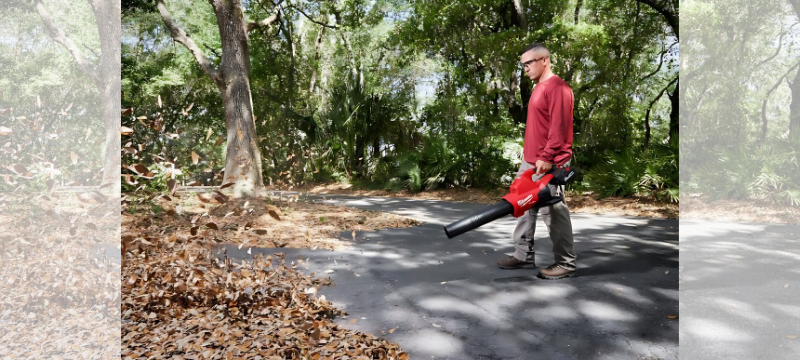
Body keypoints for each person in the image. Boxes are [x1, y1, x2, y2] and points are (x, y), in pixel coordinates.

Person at [496, 43, 577, 280]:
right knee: (522, 205)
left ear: (545, 60)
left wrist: (547, 157)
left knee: (553, 211)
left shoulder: (558, 88)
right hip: (532, 160)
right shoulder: (539, 87)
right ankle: (523, 255)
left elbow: (559, 127)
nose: (525, 69)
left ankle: (566, 263)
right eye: (523, 65)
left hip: (548, 161)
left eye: (528, 63)